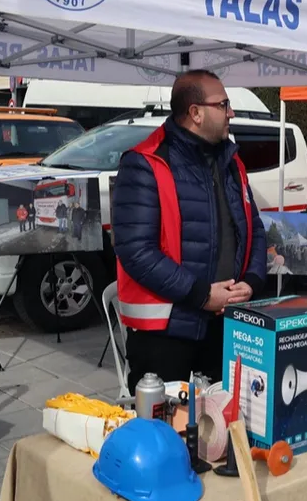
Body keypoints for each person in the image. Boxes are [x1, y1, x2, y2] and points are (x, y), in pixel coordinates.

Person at [113, 69, 265, 391]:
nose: (231, 113)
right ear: (195, 113)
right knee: (165, 435)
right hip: (166, 335)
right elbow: (136, 251)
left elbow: (254, 230)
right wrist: (203, 294)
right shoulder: (145, 163)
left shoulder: (231, 163)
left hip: (224, 325)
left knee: (222, 430)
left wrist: (250, 282)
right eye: (224, 104)